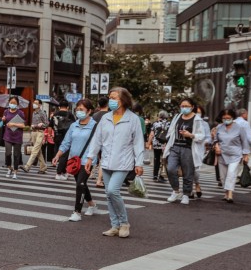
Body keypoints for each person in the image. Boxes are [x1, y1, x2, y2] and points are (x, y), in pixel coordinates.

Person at [83, 87, 145, 238]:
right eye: (110, 97)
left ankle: (124, 223)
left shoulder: (133, 119)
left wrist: (139, 163)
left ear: (123, 100)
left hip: (124, 161)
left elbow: (138, 142)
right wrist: (90, 158)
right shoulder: (105, 118)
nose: (111, 100)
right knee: (108, 194)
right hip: (106, 161)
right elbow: (97, 139)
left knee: (112, 191)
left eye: (114, 98)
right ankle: (114, 225)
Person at [55, 99, 99, 221]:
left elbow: (97, 144)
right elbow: (66, 143)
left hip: (88, 161)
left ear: (89, 111)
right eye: (77, 109)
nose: (79, 112)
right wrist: (58, 155)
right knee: (82, 184)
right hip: (74, 160)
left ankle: (77, 212)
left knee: (80, 184)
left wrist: (91, 158)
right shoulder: (74, 125)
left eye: (82, 109)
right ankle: (92, 205)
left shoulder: (95, 126)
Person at [161, 98, 208, 206]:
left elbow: (202, 136)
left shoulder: (197, 119)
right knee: (171, 169)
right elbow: (171, 131)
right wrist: (167, 142)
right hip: (175, 147)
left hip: (188, 148)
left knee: (188, 172)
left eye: (186, 106)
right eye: (182, 106)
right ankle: (175, 191)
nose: (184, 108)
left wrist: (190, 135)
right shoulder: (177, 117)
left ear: (192, 107)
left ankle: (186, 194)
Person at [212, 107, 251, 203]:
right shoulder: (219, 127)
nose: (226, 119)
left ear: (233, 117)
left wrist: (246, 154)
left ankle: (230, 194)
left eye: (228, 117)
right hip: (222, 154)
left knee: (231, 173)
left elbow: (244, 141)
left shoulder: (239, 127)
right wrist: (216, 146)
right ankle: (226, 192)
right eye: (224, 118)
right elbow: (215, 139)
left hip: (235, 154)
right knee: (223, 176)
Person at [20, 100, 50, 173]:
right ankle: (43, 167)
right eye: (34, 103)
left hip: (40, 132)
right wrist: (32, 127)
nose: (34, 104)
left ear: (39, 105)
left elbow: (47, 123)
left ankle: (27, 166)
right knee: (38, 151)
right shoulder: (33, 113)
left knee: (35, 150)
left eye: (36, 103)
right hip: (33, 132)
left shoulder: (42, 113)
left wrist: (41, 124)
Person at [2, 97, 25, 179]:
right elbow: (3, 122)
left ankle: (15, 171)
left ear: (17, 104)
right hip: (7, 135)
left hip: (17, 137)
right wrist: (3, 120)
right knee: (8, 153)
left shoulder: (20, 113)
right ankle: (9, 168)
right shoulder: (6, 111)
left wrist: (13, 124)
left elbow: (23, 125)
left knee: (16, 155)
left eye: (14, 103)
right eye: (11, 102)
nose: (12, 104)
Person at [51, 101, 74, 180]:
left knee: (58, 153)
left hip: (57, 136)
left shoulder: (55, 114)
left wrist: (51, 134)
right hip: (66, 137)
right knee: (64, 155)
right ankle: (59, 172)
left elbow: (50, 125)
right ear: (67, 107)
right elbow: (74, 126)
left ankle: (64, 172)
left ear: (59, 107)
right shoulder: (70, 114)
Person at [148, 111, 170, 182]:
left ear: (159, 116)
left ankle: (155, 176)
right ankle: (161, 176)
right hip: (165, 144)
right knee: (164, 160)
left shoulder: (155, 123)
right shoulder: (169, 124)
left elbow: (151, 134)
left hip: (156, 144)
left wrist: (148, 143)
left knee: (156, 159)